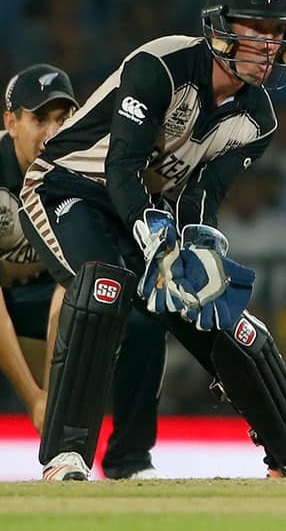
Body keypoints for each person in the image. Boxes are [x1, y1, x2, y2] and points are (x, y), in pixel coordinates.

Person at [19, 0, 286, 480]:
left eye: (278, 32)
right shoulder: (159, 65)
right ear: (219, 25)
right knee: (103, 285)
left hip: (146, 212)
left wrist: (198, 253)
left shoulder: (258, 119)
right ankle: (65, 455)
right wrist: (155, 237)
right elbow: (121, 168)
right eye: (256, 28)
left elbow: (203, 197)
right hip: (69, 190)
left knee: (221, 311)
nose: (269, 45)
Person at [1, 64, 164, 480]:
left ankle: (129, 459)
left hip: (56, 294)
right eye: (39, 119)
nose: (52, 133)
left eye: (62, 119)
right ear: (10, 122)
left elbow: (85, 271)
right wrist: (37, 399)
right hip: (6, 306)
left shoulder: (86, 162)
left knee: (144, 322)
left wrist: (56, 404)